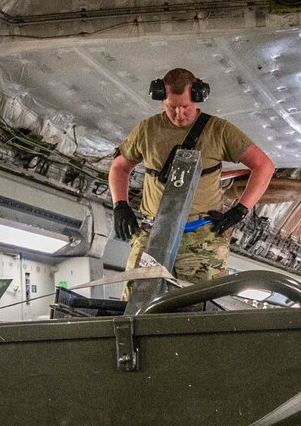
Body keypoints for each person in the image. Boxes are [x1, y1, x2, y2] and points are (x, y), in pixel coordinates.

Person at [109, 68, 275, 284]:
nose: (179, 114)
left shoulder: (219, 130)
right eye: (172, 107)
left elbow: (264, 165)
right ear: (161, 99)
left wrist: (239, 211)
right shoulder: (147, 130)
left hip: (202, 238)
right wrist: (120, 205)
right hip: (153, 235)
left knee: (201, 308)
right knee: (137, 307)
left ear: (198, 97)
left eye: (185, 107)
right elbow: (119, 167)